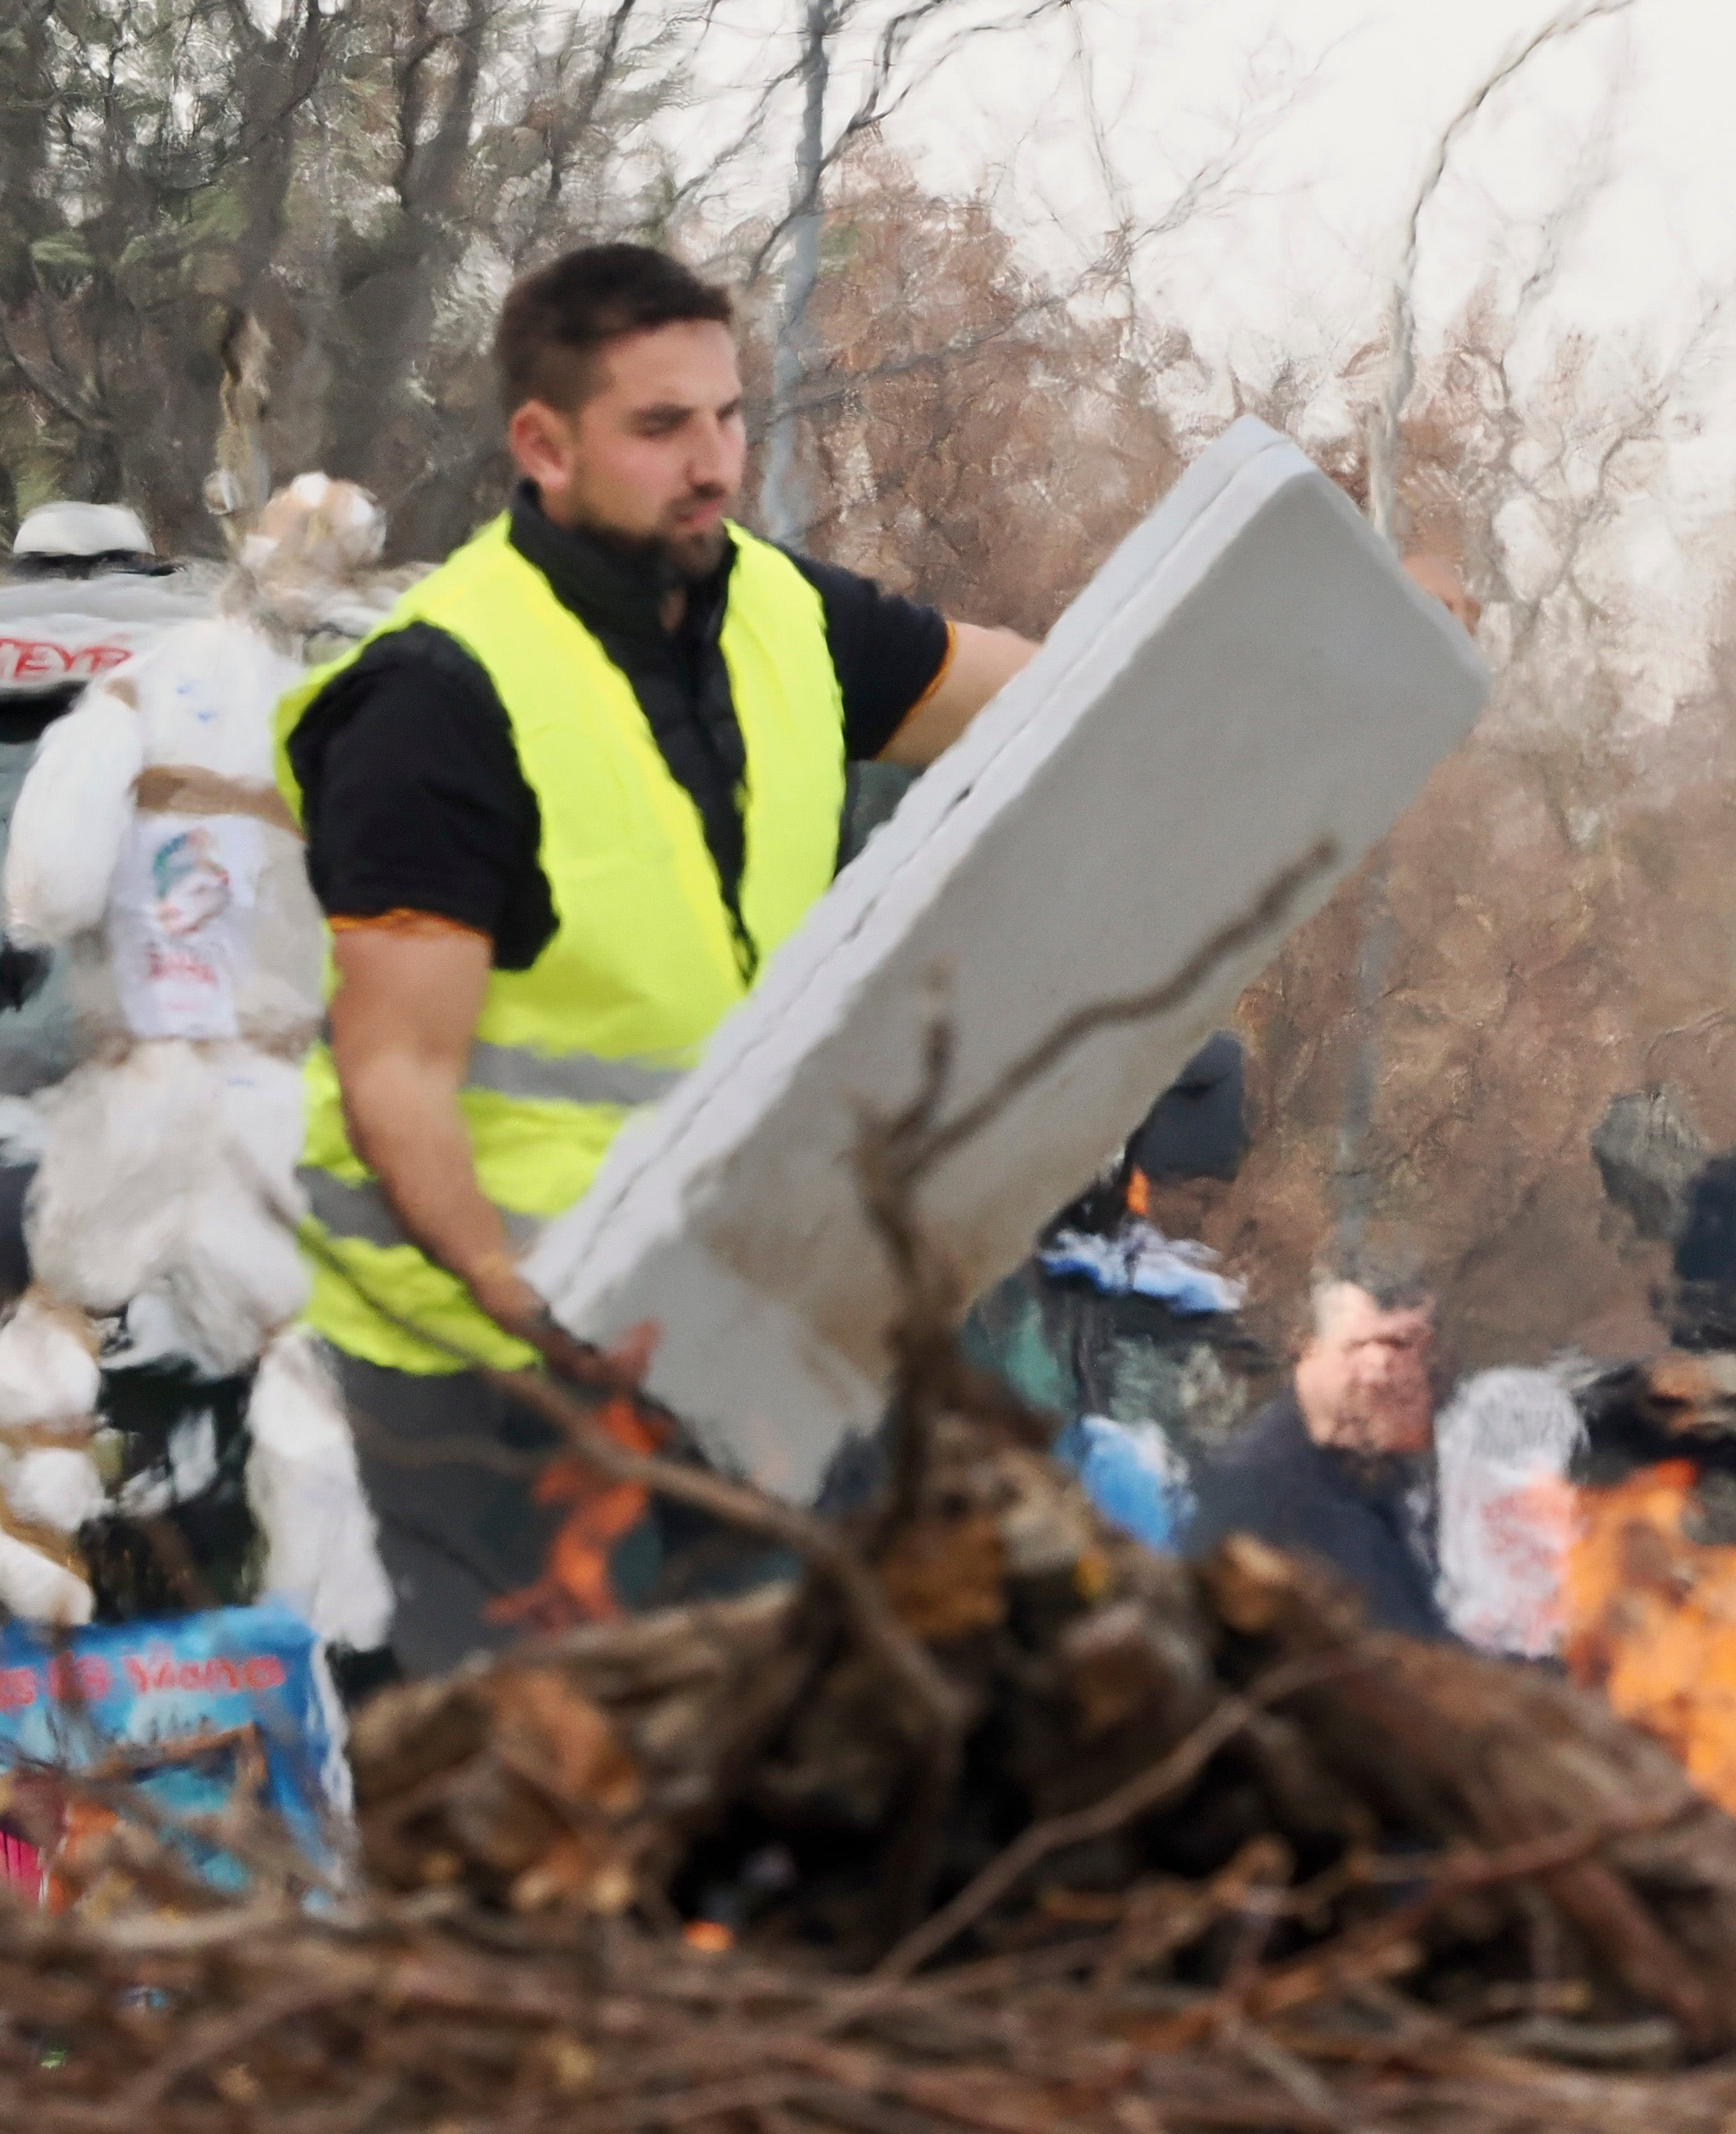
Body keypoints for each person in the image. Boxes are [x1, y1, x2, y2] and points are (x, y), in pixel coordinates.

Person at [273, 244, 1044, 1674]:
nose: (715, 465)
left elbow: (1048, 699)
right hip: (472, 1350)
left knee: (801, 1724)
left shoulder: (789, 619)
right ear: (543, 447)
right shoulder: (439, 699)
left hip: (716, 1295)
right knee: (553, 1788)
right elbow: (395, 1073)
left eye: (729, 417)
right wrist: (525, 1302)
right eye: (661, 428)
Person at [1184, 1266, 1448, 1638]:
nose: (1379, 1373)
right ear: (1306, 1347)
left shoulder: (1390, 1467)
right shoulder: (1248, 1485)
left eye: (1401, 1345)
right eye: (1357, 1348)